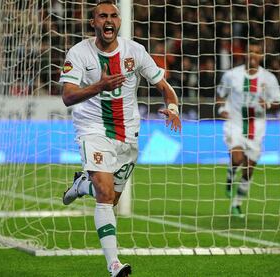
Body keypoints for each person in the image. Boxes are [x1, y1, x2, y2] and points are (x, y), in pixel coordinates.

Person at [59, 1, 181, 276]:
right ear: (94, 23)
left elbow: (164, 86)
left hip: (127, 132)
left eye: (114, 15)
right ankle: (114, 265)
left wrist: (172, 108)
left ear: (119, 21)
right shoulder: (79, 53)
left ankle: (82, 185)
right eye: (102, 16)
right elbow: (67, 96)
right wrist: (99, 86)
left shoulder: (135, 51)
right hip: (92, 128)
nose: (109, 20)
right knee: (104, 194)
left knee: (110, 199)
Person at [216, 40, 280, 218]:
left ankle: (237, 203)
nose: (253, 55)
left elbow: (277, 102)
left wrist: (267, 104)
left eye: (257, 52)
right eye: (250, 51)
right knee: (237, 159)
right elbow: (220, 95)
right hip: (235, 123)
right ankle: (230, 178)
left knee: (249, 170)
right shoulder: (231, 75)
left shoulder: (269, 79)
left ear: (262, 55)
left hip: (257, 127)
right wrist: (222, 109)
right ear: (245, 53)